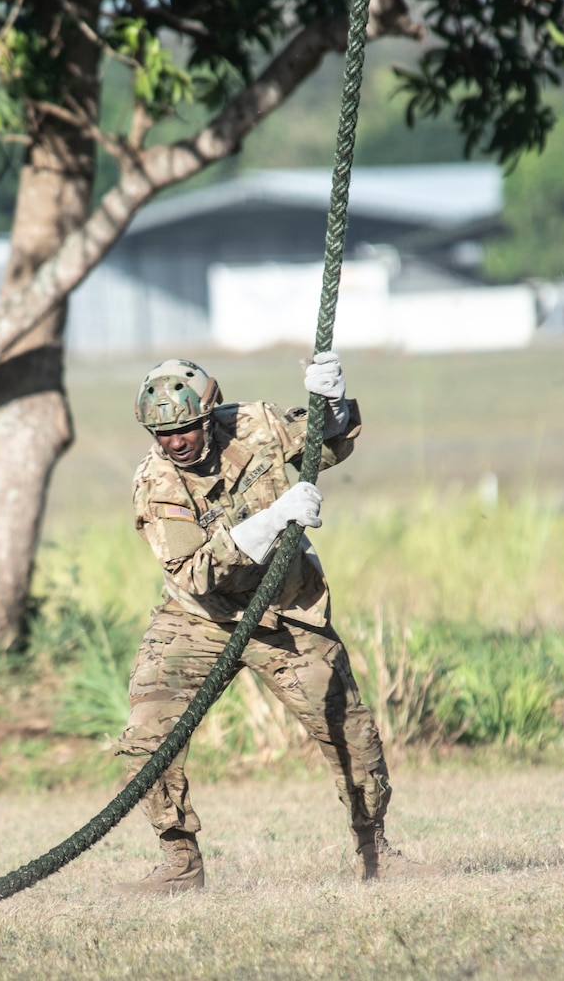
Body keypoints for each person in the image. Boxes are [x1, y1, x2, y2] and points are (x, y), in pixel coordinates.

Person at [119, 353, 420, 893]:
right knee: (147, 736)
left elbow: (329, 444)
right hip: (200, 619)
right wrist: (272, 520)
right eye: (162, 433)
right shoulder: (155, 482)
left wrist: (331, 399)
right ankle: (179, 864)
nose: (176, 442)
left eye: (185, 427)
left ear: (208, 415)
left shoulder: (254, 423)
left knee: (351, 732)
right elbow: (196, 571)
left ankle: (375, 851)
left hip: (285, 609)